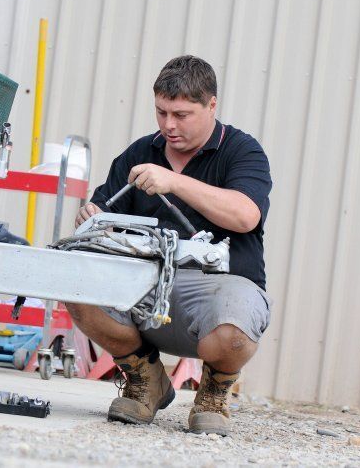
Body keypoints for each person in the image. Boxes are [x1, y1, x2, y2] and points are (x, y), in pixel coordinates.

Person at [66, 55, 272, 436]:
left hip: (215, 292)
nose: (168, 125)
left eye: (181, 114)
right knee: (77, 287)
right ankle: (145, 377)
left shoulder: (243, 152)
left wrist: (174, 183)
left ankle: (214, 389)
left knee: (236, 330)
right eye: (161, 112)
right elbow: (104, 216)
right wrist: (91, 217)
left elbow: (245, 216)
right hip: (143, 288)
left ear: (212, 105)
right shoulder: (140, 153)